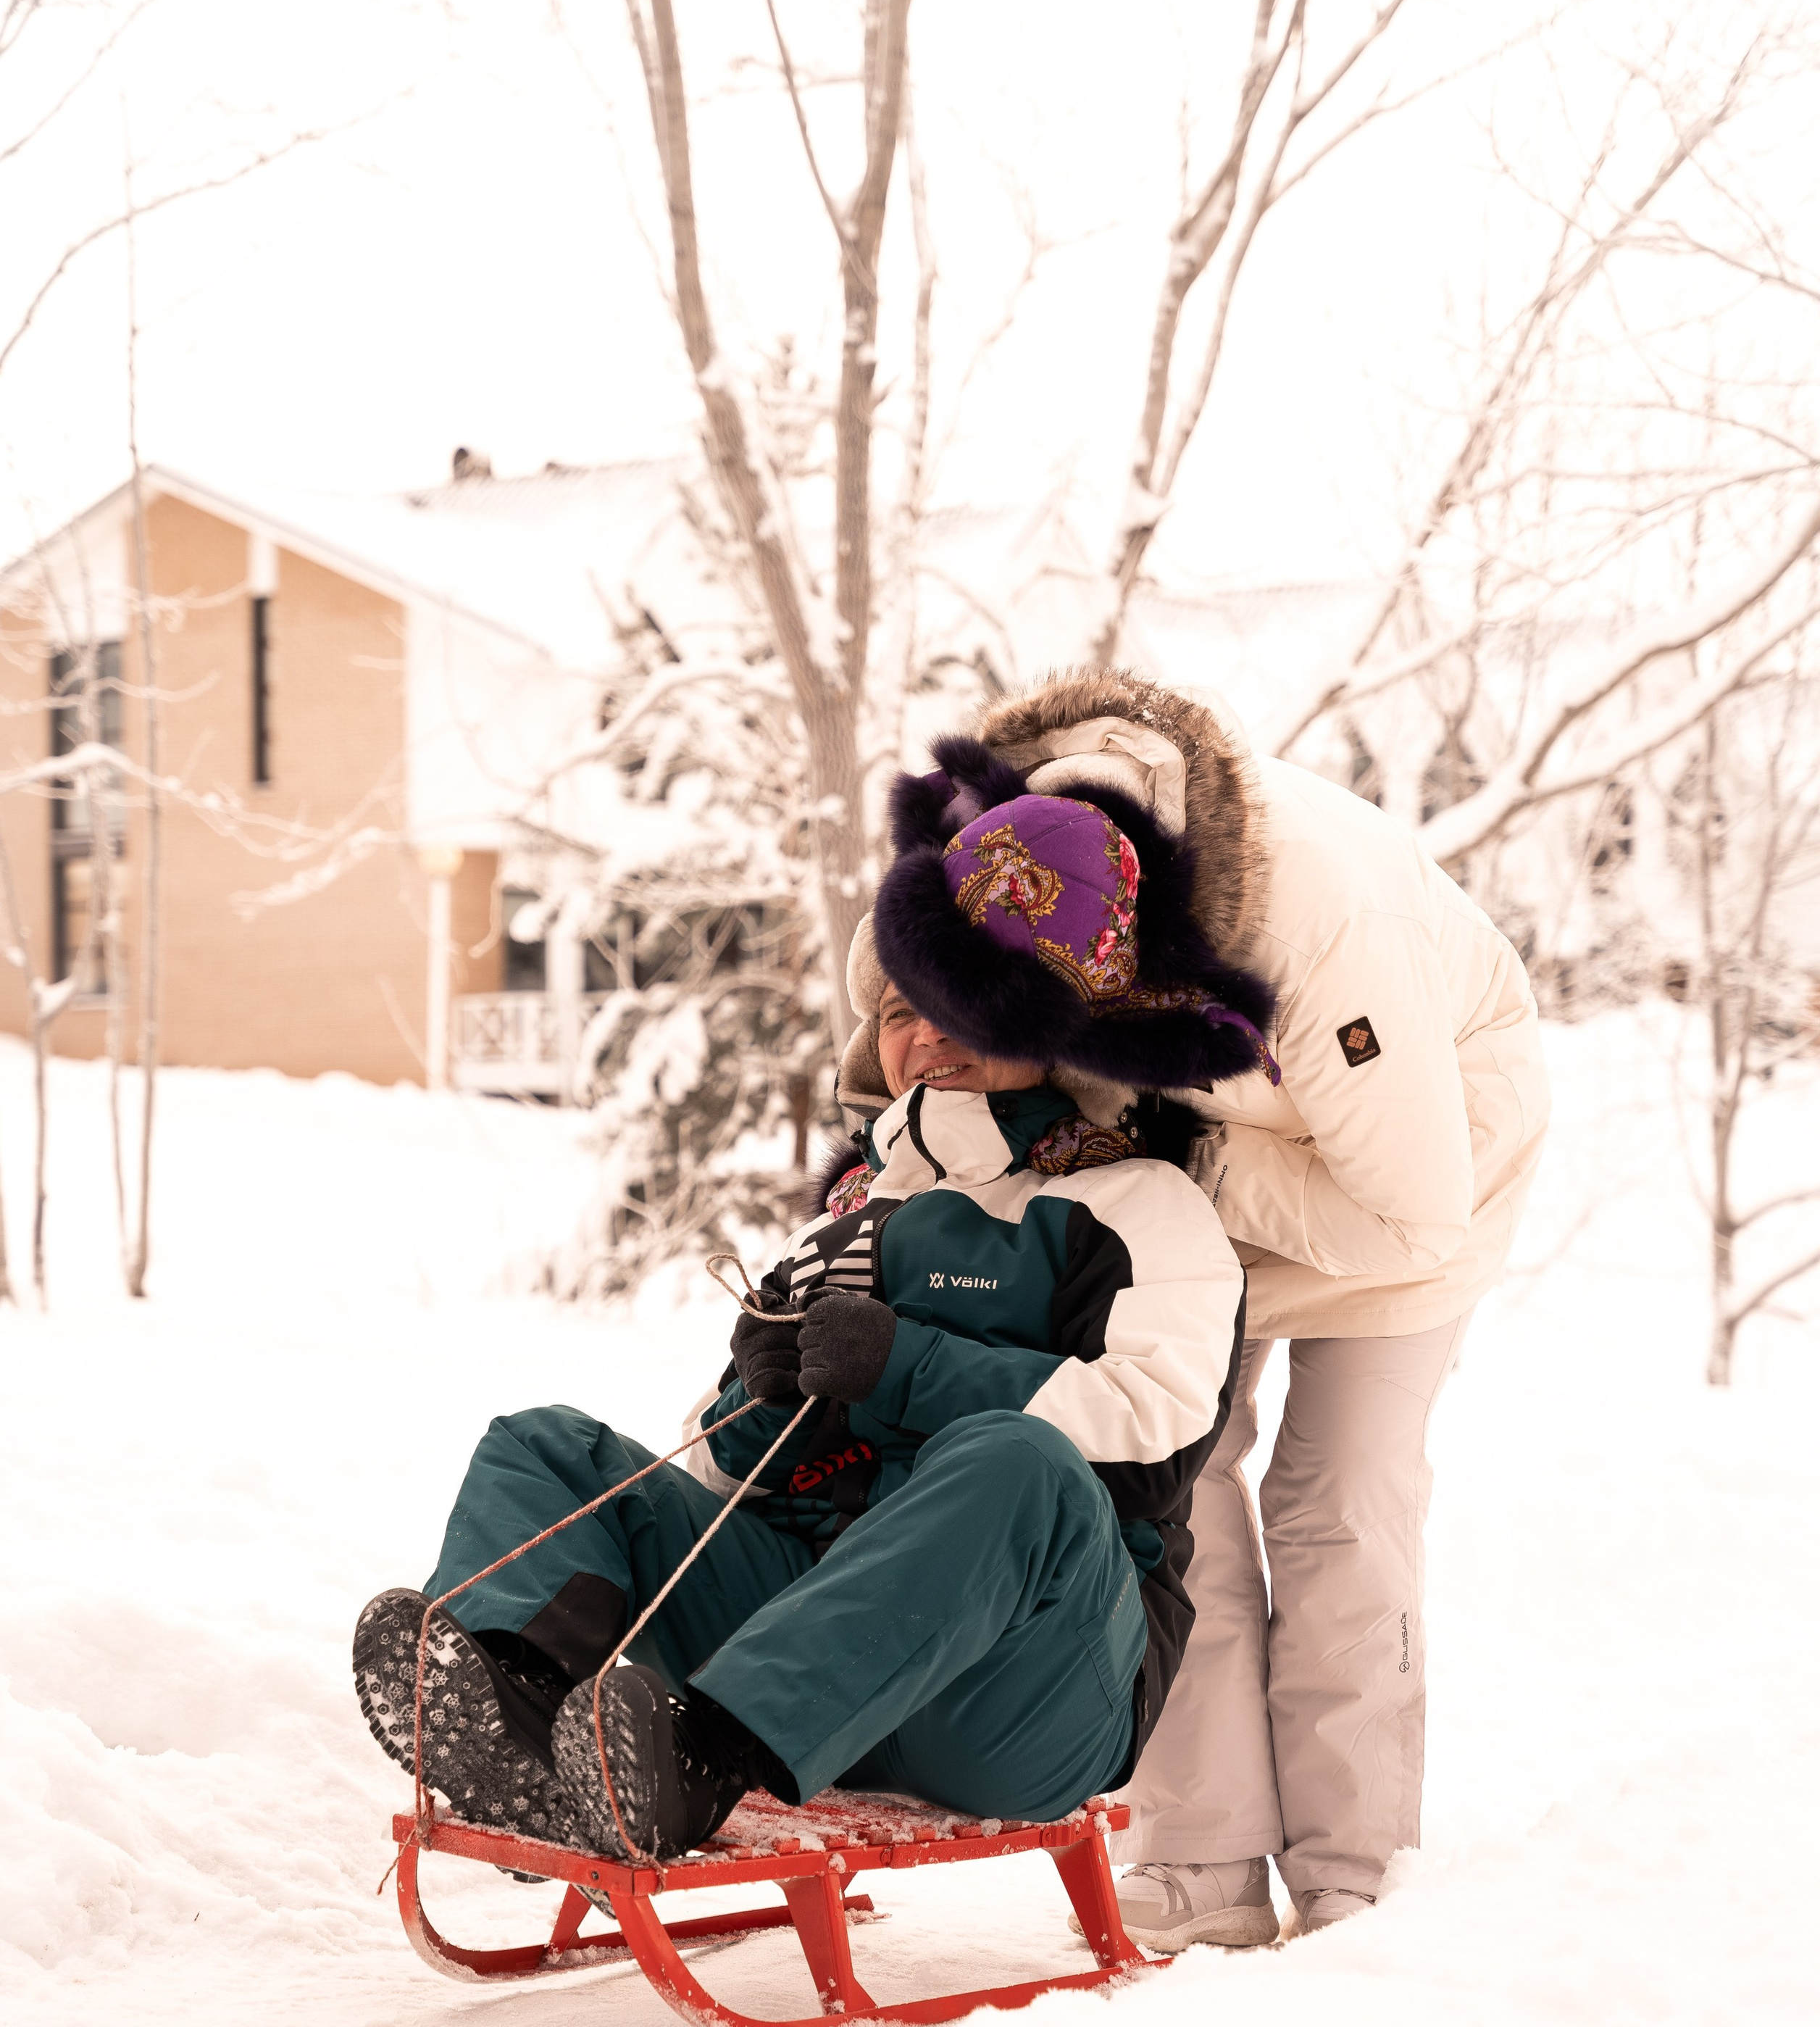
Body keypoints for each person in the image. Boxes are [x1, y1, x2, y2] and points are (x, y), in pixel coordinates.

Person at [352, 777, 1272, 1861]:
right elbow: (718, 1481)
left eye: (960, 1009)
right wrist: (757, 1396)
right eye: (898, 1013)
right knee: (543, 1449)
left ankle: (698, 1764)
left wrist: (905, 1365)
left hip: (1020, 1689)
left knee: (1014, 1462)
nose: (926, 1036)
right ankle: (520, 1731)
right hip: (806, 1632)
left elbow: (1160, 1424)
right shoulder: (850, 1214)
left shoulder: (1134, 1208)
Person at [887, 673, 1548, 1948]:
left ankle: (1356, 1868)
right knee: (1164, 1476)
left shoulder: (1322, 936)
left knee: (1339, 1503)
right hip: (1194, 1159)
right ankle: (1202, 1856)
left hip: (1423, 1165)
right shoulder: (989, 862)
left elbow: (1416, 1214)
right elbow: (901, 1035)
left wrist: (1188, 1164)